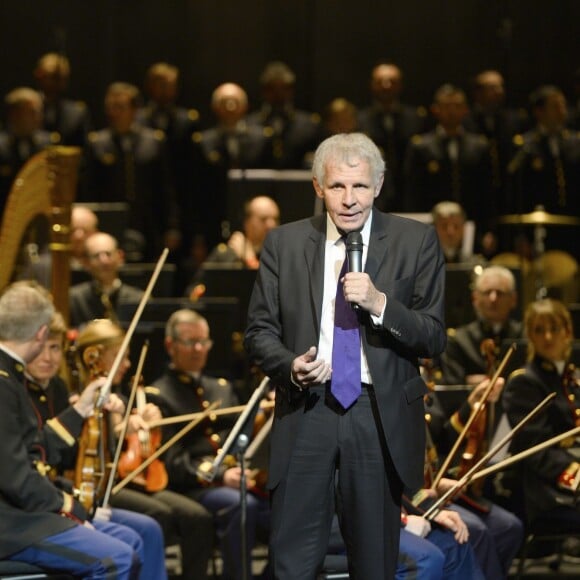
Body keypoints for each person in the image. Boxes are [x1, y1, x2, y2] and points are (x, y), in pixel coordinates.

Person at [244, 132, 447, 579]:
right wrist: (289, 366)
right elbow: (258, 333)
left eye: (359, 186)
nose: (349, 199)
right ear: (318, 187)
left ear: (378, 185)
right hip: (307, 409)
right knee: (292, 564)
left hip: (378, 416)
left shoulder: (417, 241)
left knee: (375, 565)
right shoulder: (285, 242)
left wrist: (380, 304)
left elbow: (433, 337)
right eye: (337, 186)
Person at [0, 281, 142, 578]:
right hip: (11, 523)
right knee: (117, 559)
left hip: (19, 512)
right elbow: (16, 477)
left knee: (129, 540)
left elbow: (33, 450)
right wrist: (70, 508)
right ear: (40, 333)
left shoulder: (9, 378)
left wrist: (79, 410)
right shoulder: (4, 384)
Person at [23, 309, 169, 580]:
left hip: (74, 497)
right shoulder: (32, 393)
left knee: (149, 529)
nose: (48, 357)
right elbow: (43, 462)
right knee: (132, 539)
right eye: (120, 356)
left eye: (55, 348)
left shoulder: (56, 388)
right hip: (49, 505)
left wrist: (115, 425)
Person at [75, 317, 215, 580]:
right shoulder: (80, 395)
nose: (127, 364)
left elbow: (138, 450)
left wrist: (148, 426)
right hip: (105, 484)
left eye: (128, 357)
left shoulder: (119, 396)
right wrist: (119, 429)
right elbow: (95, 448)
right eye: (120, 357)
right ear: (96, 356)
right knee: (158, 515)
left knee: (197, 516)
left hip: (134, 478)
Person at [150, 308, 271, 580]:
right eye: (190, 342)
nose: (198, 350)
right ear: (171, 345)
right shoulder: (159, 395)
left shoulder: (221, 387)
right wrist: (219, 474)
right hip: (191, 486)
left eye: (203, 342)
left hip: (233, 478)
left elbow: (236, 438)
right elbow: (172, 461)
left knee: (285, 507)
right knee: (242, 505)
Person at [503, 299, 580, 536]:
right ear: (530, 336)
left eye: (554, 329)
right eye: (539, 330)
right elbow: (537, 451)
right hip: (546, 490)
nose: (547, 337)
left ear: (568, 332)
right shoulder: (524, 382)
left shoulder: (572, 378)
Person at [80, 82, 174, 261]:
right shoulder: (97, 143)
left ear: (135, 110)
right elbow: (89, 189)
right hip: (109, 221)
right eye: (111, 107)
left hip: (149, 221)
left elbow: (166, 187)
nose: (114, 113)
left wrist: (171, 226)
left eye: (120, 107)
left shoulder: (153, 141)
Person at [403, 84, 494, 241]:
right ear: (435, 109)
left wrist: (489, 230)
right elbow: (412, 193)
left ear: (465, 110)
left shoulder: (479, 146)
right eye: (446, 106)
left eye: (457, 106)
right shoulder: (421, 147)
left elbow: (488, 193)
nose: (452, 112)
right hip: (430, 227)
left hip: (472, 227)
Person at [192, 82, 273, 251]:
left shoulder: (261, 139)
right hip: (214, 219)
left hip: (254, 219)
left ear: (245, 106)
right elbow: (195, 189)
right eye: (224, 102)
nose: (230, 106)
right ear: (215, 107)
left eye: (235, 101)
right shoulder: (203, 142)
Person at [506, 85, 580, 260]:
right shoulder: (526, 146)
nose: (562, 111)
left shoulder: (575, 142)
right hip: (541, 228)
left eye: (563, 105)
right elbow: (516, 194)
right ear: (539, 111)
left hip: (574, 224)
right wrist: (520, 235)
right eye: (555, 106)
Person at [357, 62, 428, 207]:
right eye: (380, 82)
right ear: (372, 85)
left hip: (411, 194)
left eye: (392, 81)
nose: (386, 86)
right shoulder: (360, 120)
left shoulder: (416, 119)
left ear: (400, 85)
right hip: (373, 196)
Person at [440, 265, 522, 385]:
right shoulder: (457, 340)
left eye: (500, 293)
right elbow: (454, 385)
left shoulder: (525, 335)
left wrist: (474, 380)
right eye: (487, 292)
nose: (493, 298)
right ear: (475, 298)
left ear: (513, 299)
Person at [246, 60, 322, 169]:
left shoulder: (308, 125)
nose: (278, 94)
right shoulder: (249, 124)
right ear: (264, 91)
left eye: (284, 88)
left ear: (291, 90)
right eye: (272, 88)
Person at [69, 231, 145, 328]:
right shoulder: (74, 298)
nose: (104, 261)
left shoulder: (139, 299)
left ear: (120, 257)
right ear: (86, 262)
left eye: (108, 254)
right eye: (96, 256)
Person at [0, 87, 55, 217]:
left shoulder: (48, 145)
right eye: (32, 112)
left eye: (39, 112)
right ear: (15, 114)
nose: (39, 118)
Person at [19, 204, 99, 288]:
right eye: (73, 230)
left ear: (96, 233)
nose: (78, 237)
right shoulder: (41, 267)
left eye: (85, 230)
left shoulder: (105, 262)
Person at [202, 195, 280, 270]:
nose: (271, 225)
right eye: (263, 219)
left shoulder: (283, 256)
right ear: (247, 223)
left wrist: (250, 260)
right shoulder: (226, 255)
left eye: (275, 219)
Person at [33, 52, 92, 147]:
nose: (57, 83)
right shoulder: (28, 108)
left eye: (62, 78)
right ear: (39, 75)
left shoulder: (76, 113)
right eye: (53, 77)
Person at [431, 201, 486, 265]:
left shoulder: (475, 264)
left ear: (463, 229)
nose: (450, 232)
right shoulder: (423, 263)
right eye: (444, 226)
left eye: (456, 226)